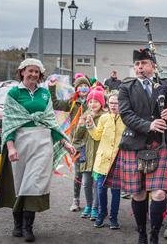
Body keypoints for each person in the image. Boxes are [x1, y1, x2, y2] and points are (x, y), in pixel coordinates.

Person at [104, 48, 167, 244]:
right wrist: (149, 125)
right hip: (134, 145)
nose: (139, 67)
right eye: (137, 64)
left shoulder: (164, 85)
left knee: (160, 193)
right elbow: (126, 115)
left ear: (153, 66)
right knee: (138, 193)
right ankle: (142, 234)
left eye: (143, 63)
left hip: (159, 144)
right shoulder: (126, 87)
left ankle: (154, 235)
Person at [0, 58, 76, 242]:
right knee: (19, 183)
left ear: (40, 75)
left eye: (36, 72)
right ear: (22, 71)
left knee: (34, 183)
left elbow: (51, 122)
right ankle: (17, 224)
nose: (33, 74)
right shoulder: (14, 93)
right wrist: (11, 146)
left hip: (42, 143)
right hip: (20, 143)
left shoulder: (45, 94)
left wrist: (65, 142)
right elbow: (9, 121)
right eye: (30, 71)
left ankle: (28, 226)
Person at [48, 75, 91, 212]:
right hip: (77, 143)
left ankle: (93, 204)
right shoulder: (72, 102)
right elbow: (55, 104)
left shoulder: (93, 100)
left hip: (92, 142)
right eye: (80, 86)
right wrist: (52, 88)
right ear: (77, 89)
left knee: (91, 175)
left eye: (86, 85)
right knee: (78, 173)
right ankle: (76, 200)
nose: (83, 88)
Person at [83, 91, 125, 229]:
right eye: (111, 102)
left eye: (117, 103)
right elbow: (96, 136)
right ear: (107, 103)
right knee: (101, 190)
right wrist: (90, 125)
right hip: (102, 161)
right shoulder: (103, 118)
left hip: (118, 161)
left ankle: (114, 218)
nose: (114, 105)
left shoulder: (126, 118)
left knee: (115, 192)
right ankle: (101, 214)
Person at [74, 88, 106, 220]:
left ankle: (95, 207)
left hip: (100, 156)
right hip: (86, 156)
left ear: (101, 103)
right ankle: (88, 205)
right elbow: (76, 138)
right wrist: (81, 126)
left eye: (96, 101)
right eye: (90, 101)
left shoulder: (105, 117)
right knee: (86, 183)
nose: (93, 104)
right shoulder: (83, 116)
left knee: (97, 184)